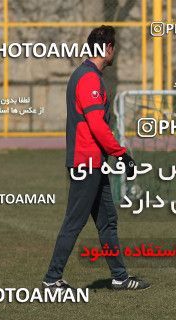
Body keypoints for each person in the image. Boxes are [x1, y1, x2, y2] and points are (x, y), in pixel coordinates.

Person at [42, 25, 150, 291]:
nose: (114, 54)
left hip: (94, 163)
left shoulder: (86, 75)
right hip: (86, 163)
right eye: (114, 49)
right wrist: (121, 152)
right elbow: (96, 125)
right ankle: (52, 278)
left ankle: (120, 277)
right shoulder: (88, 78)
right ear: (108, 48)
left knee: (107, 221)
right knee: (74, 221)